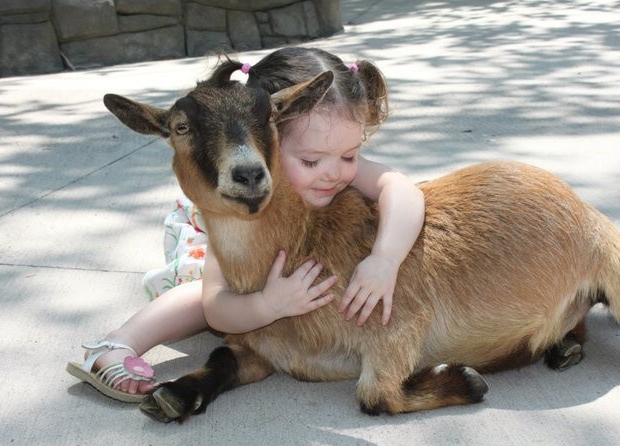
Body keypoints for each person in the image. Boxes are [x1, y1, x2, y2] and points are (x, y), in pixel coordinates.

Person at [66, 47, 426, 402]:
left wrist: (385, 259)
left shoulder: (328, 163)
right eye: (311, 160)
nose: (334, 172)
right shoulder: (237, 208)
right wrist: (267, 306)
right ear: (269, 139)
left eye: (350, 155)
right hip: (225, 218)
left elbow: (403, 190)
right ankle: (118, 343)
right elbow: (216, 308)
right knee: (202, 291)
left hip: (278, 227)